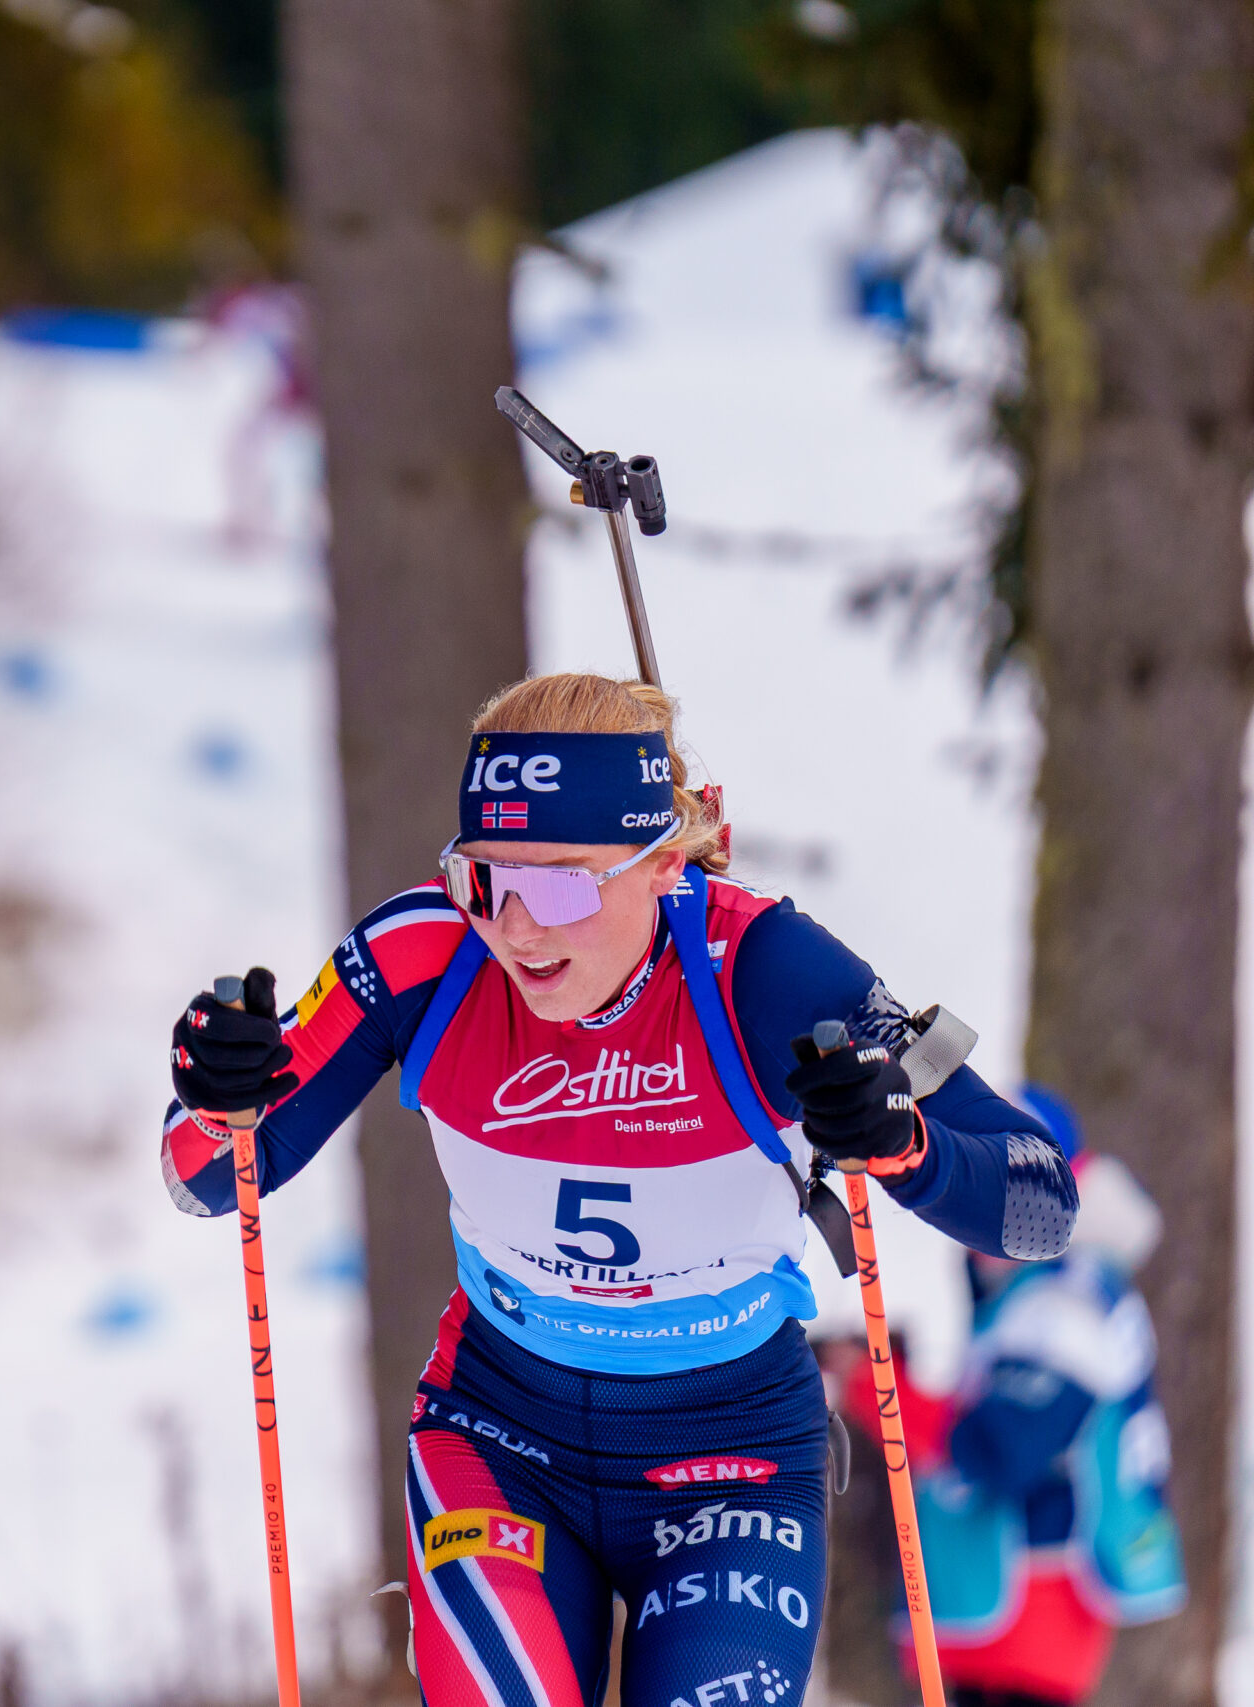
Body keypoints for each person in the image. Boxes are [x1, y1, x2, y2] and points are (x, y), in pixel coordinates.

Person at [162, 671, 1077, 1707]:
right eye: (483, 879)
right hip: (499, 1438)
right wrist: (215, 1092)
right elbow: (204, 1179)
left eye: (562, 885)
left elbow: (1041, 1202)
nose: (516, 928)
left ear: (662, 863)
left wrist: (902, 1141)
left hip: (731, 1457)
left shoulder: (763, 966)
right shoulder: (422, 952)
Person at [899, 1090, 1181, 1707]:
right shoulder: (1049, 1286)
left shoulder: (1064, 1303)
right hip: (1013, 1620)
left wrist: (878, 1390)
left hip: (1027, 1612)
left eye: (982, 1186)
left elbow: (1000, 1449)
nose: (965, 1216)